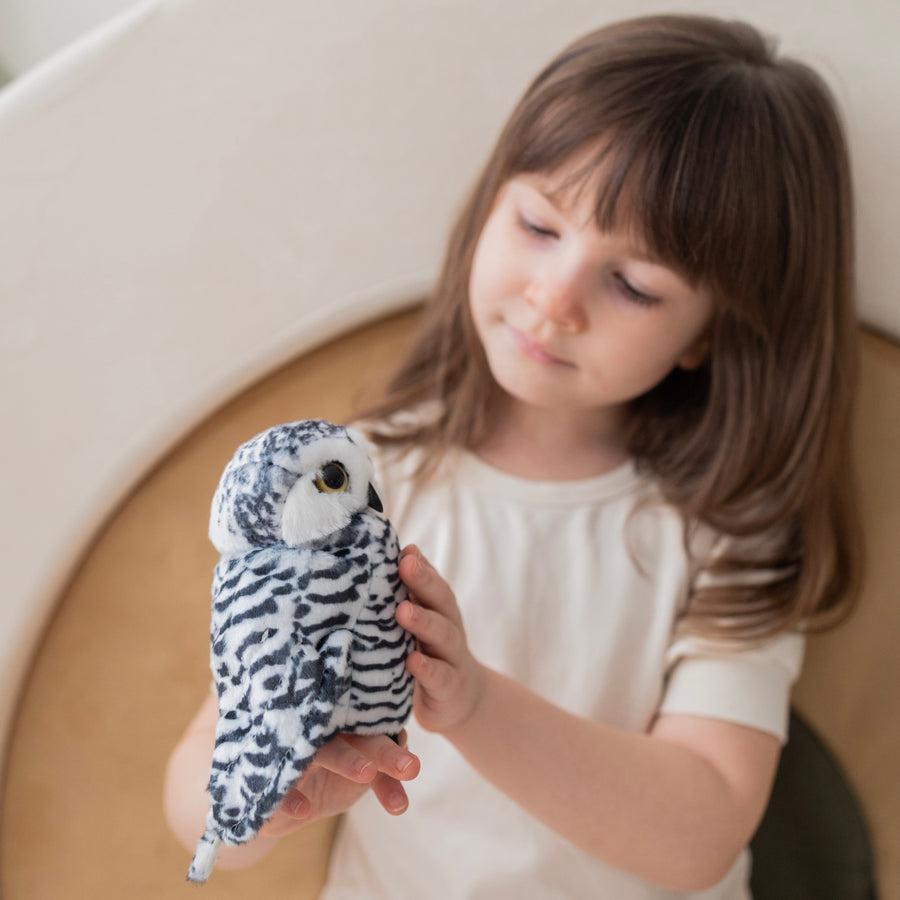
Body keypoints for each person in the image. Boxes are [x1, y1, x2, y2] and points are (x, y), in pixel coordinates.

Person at [165, 13, 862, 898]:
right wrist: (261, 801)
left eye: (635, 284)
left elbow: (705, 829)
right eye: (540, 226)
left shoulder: (734, 530)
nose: (555, 297)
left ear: (707, 334)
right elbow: (200, 773)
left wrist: (479, 708)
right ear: (492, 200)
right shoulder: (359, 483)